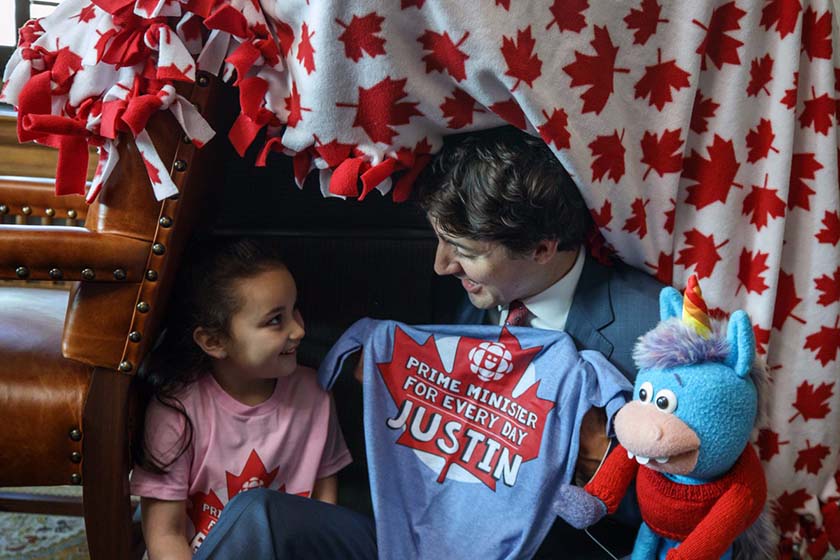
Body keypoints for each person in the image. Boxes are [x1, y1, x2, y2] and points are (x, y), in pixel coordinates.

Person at [192, 127, 664, 559]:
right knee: (261, 517)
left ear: (542, 248)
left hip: (538, 548)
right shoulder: (462, 293)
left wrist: (595, 464)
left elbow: (687, 510)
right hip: (419, 535)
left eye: (464, 252)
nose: (442, 265)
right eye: (441, 242)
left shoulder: (648, 331)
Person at [130, 238, 354, 559]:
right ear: (213, 341)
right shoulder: (176, 412)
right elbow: (165, 534)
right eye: (275, 319)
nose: (299, 330)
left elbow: (323, 508)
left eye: (295, 310)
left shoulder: (315, 394)